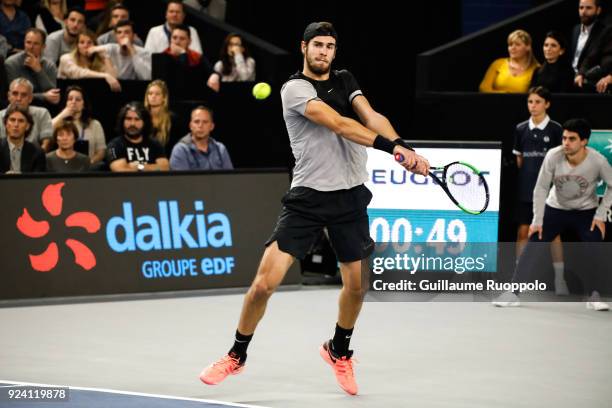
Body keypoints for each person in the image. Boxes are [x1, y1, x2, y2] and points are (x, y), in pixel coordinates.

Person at [198, 21, 429, 396]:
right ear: (304, 48)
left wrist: (403, 144)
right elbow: (337, 124)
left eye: (330, 46)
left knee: (356, 287)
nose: (323, 52)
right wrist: (392, 151)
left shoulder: (345, 78)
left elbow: (370, 117)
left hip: (350, 197)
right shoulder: (294, 89)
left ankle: (338, 349)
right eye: (317, 45)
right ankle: (236, 355)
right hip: (307, 198)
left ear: (335, 52)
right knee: (263, 285)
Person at [494, 118, 612, 311]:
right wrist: (537, 220)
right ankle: (513, 293)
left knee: (595, 244)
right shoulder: (553, 155)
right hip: (555, 209)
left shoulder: (598, 161)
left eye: (572, 139)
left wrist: (600, 214)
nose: (566, 142)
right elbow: (541, 187)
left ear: (584, 142)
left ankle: (594, 295)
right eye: (564, 138)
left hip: (585, 212)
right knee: (533, 242)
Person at [512, 86, 567, 295]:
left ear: (547, 104)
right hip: (526, 190)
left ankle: (560, 280)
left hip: (552, 193)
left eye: (537, 102)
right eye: (530, 102)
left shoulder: (556, 129)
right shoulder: (520, 129)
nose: (533, 106)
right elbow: (520, 160)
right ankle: (520, 280)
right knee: (523, 232)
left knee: (553, 234)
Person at [152, 24, 213, 97]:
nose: (177, 42)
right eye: (174, 38)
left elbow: (211, 71)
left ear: (189, 41)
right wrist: (182, 53)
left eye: (182, 39)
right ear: (170, 39)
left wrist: (215, 75)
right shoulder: (161, 57)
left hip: (193, 95)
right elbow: (179, 81)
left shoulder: (197, 57)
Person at [106, 101, 169, 172]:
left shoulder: (155, 144)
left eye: (137, 119)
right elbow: (120, 170)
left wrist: (139, 166)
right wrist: (152, 167)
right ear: (122, 121)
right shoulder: (114, 145)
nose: (132, 123)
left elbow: (165, 168)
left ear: (145, 122)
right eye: (128, 119)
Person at [5, 27, 61, 105]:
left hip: (45, 106)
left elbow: (53, 95)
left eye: (36, 44)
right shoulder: (11, 63)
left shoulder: (50, 65)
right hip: (18, 106)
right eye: (28, 42)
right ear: (24, 43)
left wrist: (38, 70)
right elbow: (15, 95)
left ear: (43, 47)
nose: (31, 47)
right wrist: (43, 96)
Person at [52, 85, 106, 165]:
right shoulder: (59, 122)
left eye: (78, 99)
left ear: (84, 104)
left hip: (87, 166)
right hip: (63, 165)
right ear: (66, 102)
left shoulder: (95, 124)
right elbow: (46, 130)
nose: (73, 102)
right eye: (70, 99)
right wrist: (63, 114)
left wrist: (89, 163)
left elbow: (101, 151)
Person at [169, 105, 232, 170]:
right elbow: (181, 179)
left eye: (205, 122)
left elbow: (230, 177)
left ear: (212, 126)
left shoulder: (220, 149)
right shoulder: (180, 150)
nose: (200, 126)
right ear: (190, 126)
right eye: (196, 122)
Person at [87, 19, 151, 80]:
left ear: (133, 36)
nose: (122, 35)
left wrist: (131, 49)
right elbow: (90, 50)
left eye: (126, 32)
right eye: (119, 32)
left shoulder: (143, 52)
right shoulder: (111, 48)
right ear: (115, 36)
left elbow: (146, 77)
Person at [479, 29, 539, 93]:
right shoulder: (498, 63)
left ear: (528, 47)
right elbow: (483, 88)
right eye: (510, 44)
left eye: (517, 44)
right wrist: (504, 94)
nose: (513, 48)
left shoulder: (536, 69)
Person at [0, 78, 53, 150]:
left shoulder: (42, 113)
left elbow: (47, 142)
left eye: (23, 95)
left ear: (30, 98)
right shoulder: (0, 116)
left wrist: (37, 158)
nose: (18, 98)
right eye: (15, 94)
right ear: (9, 96)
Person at [0, 103, 46, 173]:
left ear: (27, 126)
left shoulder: (37, 152)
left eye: (21, 121)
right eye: (12, 120)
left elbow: (37, 181)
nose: (16, 125)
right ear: (6, 124)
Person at [570, 0, 605, 75]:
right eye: (581, 8)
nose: (583, 11)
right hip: (570, 74)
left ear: (598, 10)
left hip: (586, 76)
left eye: (588, 8)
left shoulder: (604, 32)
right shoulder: (576, 29)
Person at [574, 24, 612, 93]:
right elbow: (590, 57)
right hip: (600, 81)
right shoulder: (607, 32)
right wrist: (581, 74)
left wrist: (610, 77)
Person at [143, 79, 176, 153]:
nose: (153, 96)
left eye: (157, 94)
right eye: (150, 93)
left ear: (164, 98)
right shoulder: (141, 117)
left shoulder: (172, 119)